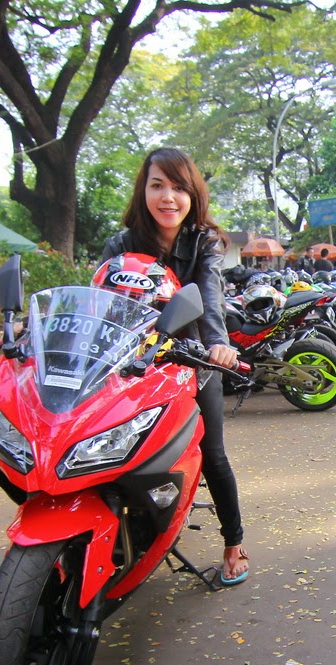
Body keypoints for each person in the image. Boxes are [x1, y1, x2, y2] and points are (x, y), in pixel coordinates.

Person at [99, 147, 250, 585]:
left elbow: (209, 296)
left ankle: (234, 542)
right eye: (158, 186)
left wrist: (218, 345)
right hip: (132, 365)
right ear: (143, 191)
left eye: (179, 188)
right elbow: (96, 298)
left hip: (191, 360)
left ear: (192, 194)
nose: (168, 197)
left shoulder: (204, 241)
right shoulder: (121, 244)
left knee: (212, 454)